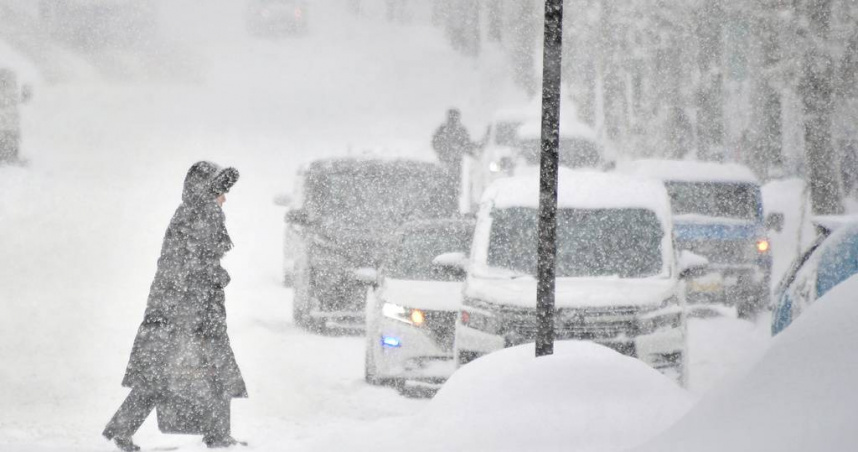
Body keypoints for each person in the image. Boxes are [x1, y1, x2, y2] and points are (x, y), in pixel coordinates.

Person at [103, 161, 247, 451]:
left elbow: (185, 263)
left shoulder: (193, 213)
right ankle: (217, 437)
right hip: (186, 313)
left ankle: (122, 430)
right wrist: (215, 276)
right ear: (207, 191)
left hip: (180, 310)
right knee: (205, 371)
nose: (224, 197)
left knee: (164, 374)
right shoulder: (200, 215)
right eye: (220, 191)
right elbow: (190, 266)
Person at [432, 108, 475, 200]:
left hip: (450, 161)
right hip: (450, 161)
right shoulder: (458, 131)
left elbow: (435, 142)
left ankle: (448, 198)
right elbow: (467, 145)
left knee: (448, 183)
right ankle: (450, 198)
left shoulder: (443, 130)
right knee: (451, 183)